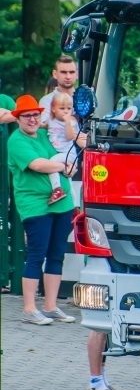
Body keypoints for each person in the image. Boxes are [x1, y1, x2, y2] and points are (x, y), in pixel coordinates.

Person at [6, 94, 77, 326]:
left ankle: (50, 305)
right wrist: (64, 166)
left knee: (57, 254)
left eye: (35, 115)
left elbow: (65, 149)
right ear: (18, 118)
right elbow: (37, 164)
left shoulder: (46, 135)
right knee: (37, 254)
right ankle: (28, 309)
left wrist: (70, 165)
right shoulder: (16, 141)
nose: (32, 120)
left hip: (62, 203)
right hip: (36, 205)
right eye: (27, 116)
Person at [46, 92, 81, 206]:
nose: (66, 111)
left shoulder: (71, 122)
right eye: (62, 108)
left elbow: (70, 137)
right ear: (53, 108)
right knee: (69, 184)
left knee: (51, 164)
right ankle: (74, 206)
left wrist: (67, 123)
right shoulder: (50, 120)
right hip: (58, 151)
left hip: (68, 153)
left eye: (69, 108)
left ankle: (57, 189)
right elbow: (44, 126)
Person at [39, 55, 78, 126]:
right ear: (55, 74)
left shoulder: (84, 98)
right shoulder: (47, 100)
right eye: (63, 72)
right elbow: (46, 125)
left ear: (77, 74)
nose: (68, 77)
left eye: (72, 72)